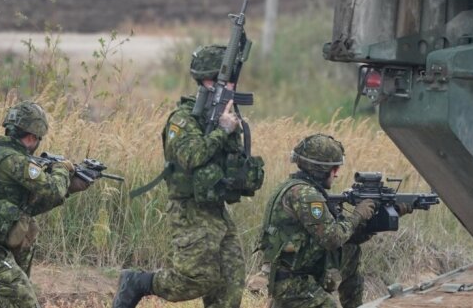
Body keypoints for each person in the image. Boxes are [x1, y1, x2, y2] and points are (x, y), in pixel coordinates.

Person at [113, 45, 264, 308]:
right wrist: (221, 131)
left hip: (216, 211)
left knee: (231, 279)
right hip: (189, 210)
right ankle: (138, 282)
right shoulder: (183, 120)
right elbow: (191, 156)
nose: (232, 86)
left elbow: (230, 165)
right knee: (195, 279)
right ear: (209, 82)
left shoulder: (218, 117)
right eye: (227, 80)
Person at [0, 100, 90, 308]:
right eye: (39, 139)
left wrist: (69, 190)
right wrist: (62, 169)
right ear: (31, 137)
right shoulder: (16, 161)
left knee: (24, 245)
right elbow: (53, 189)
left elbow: (27, 208)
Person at [260, 134, 406, 308]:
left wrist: (391, 212)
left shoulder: (297, 187)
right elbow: (332, 238)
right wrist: (357, 215)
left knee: (350, 250)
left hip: (297, 275)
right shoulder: (306, 195)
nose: (336, 175)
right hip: (291, 284)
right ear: (321, 170)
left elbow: (348, 237)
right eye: (335, 169)